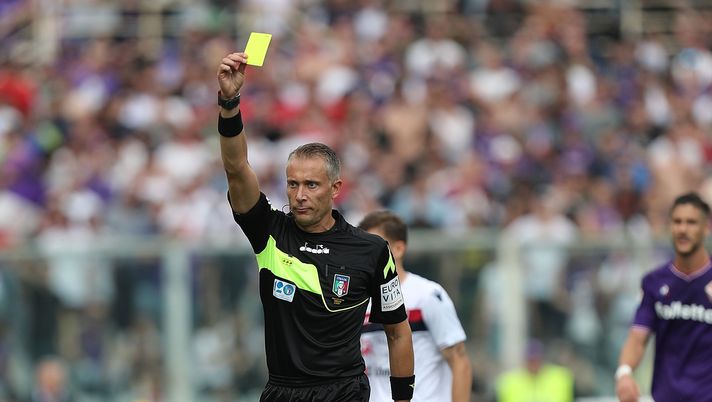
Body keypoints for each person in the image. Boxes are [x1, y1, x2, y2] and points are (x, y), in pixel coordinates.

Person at [216, 52, 415, 402]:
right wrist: (230, 103)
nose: (299, 195)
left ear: (335, 189)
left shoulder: (371, 250)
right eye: (293, 184)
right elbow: (236, 169)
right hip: (282, 391)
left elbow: (398, 332)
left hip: (345, 391)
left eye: (311, 185)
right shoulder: (269, 232)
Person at [358, 211, 473, 402]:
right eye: (363, 246)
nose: (367, 253)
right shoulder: (358, 301)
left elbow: (460, 360)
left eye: (375, 245)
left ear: (399, 248)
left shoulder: (427, 295)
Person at [616, 192, 712, 402]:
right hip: (667, 396)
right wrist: (624, 373)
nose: (683, 229)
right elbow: (638, 337)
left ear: (706, 228)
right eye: (677, 222)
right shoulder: (654, 282)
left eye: (691, 222)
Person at [495, 339, 574, 402]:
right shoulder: (508, 382)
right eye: (531, 360)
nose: (534, 364)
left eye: (537, 360)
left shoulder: (560, 378)